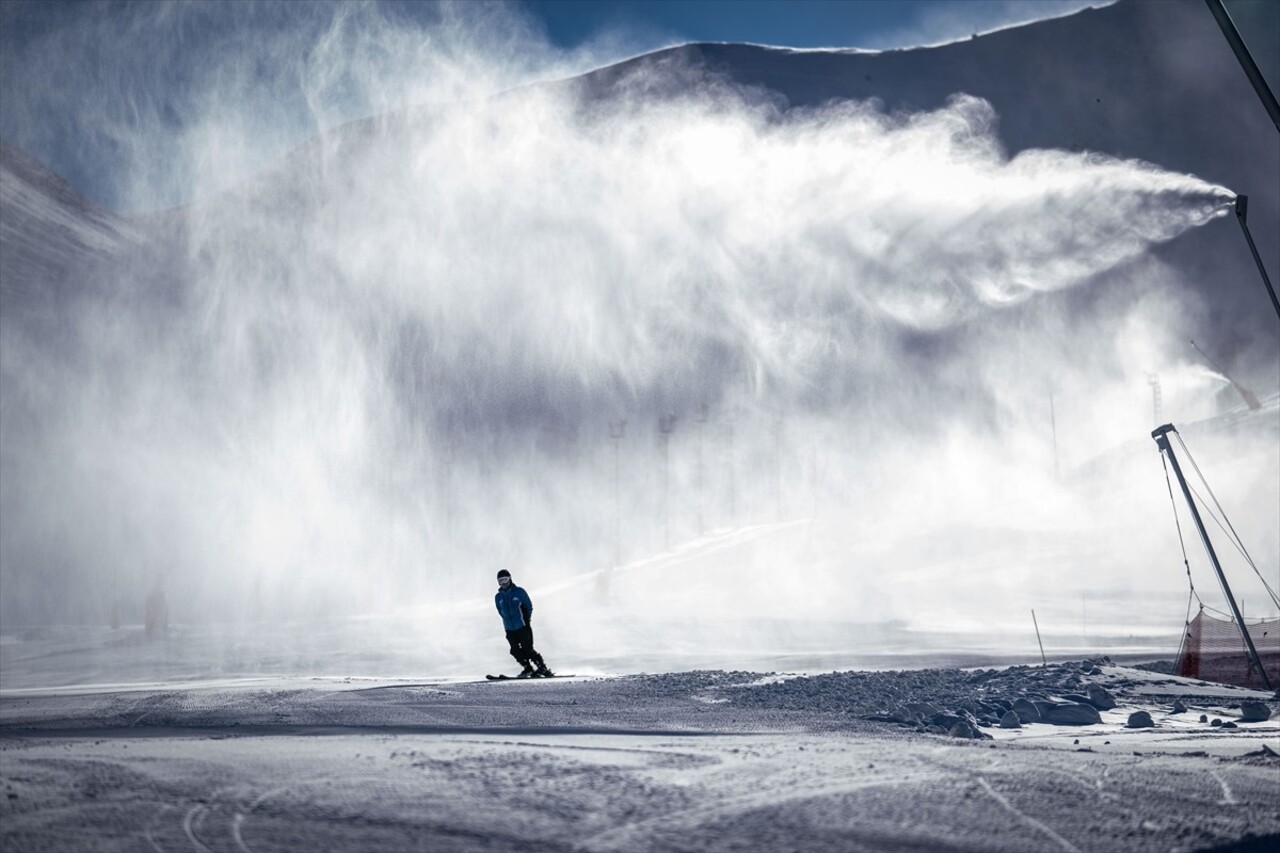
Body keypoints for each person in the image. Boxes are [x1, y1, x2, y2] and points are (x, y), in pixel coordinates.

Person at [494, 568, 553, 677]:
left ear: (510, 579)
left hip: (522, 626)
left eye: (505, 580)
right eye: (500, 581)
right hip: (509, 628)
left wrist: (526, 620)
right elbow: (500, 611)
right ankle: (528, 668)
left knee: (528, 649)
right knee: (515, 650)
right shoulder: (498, 597)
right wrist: (507, 621)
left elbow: (529, 606)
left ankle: (542, 668)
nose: (503, 583)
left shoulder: (519, 592)